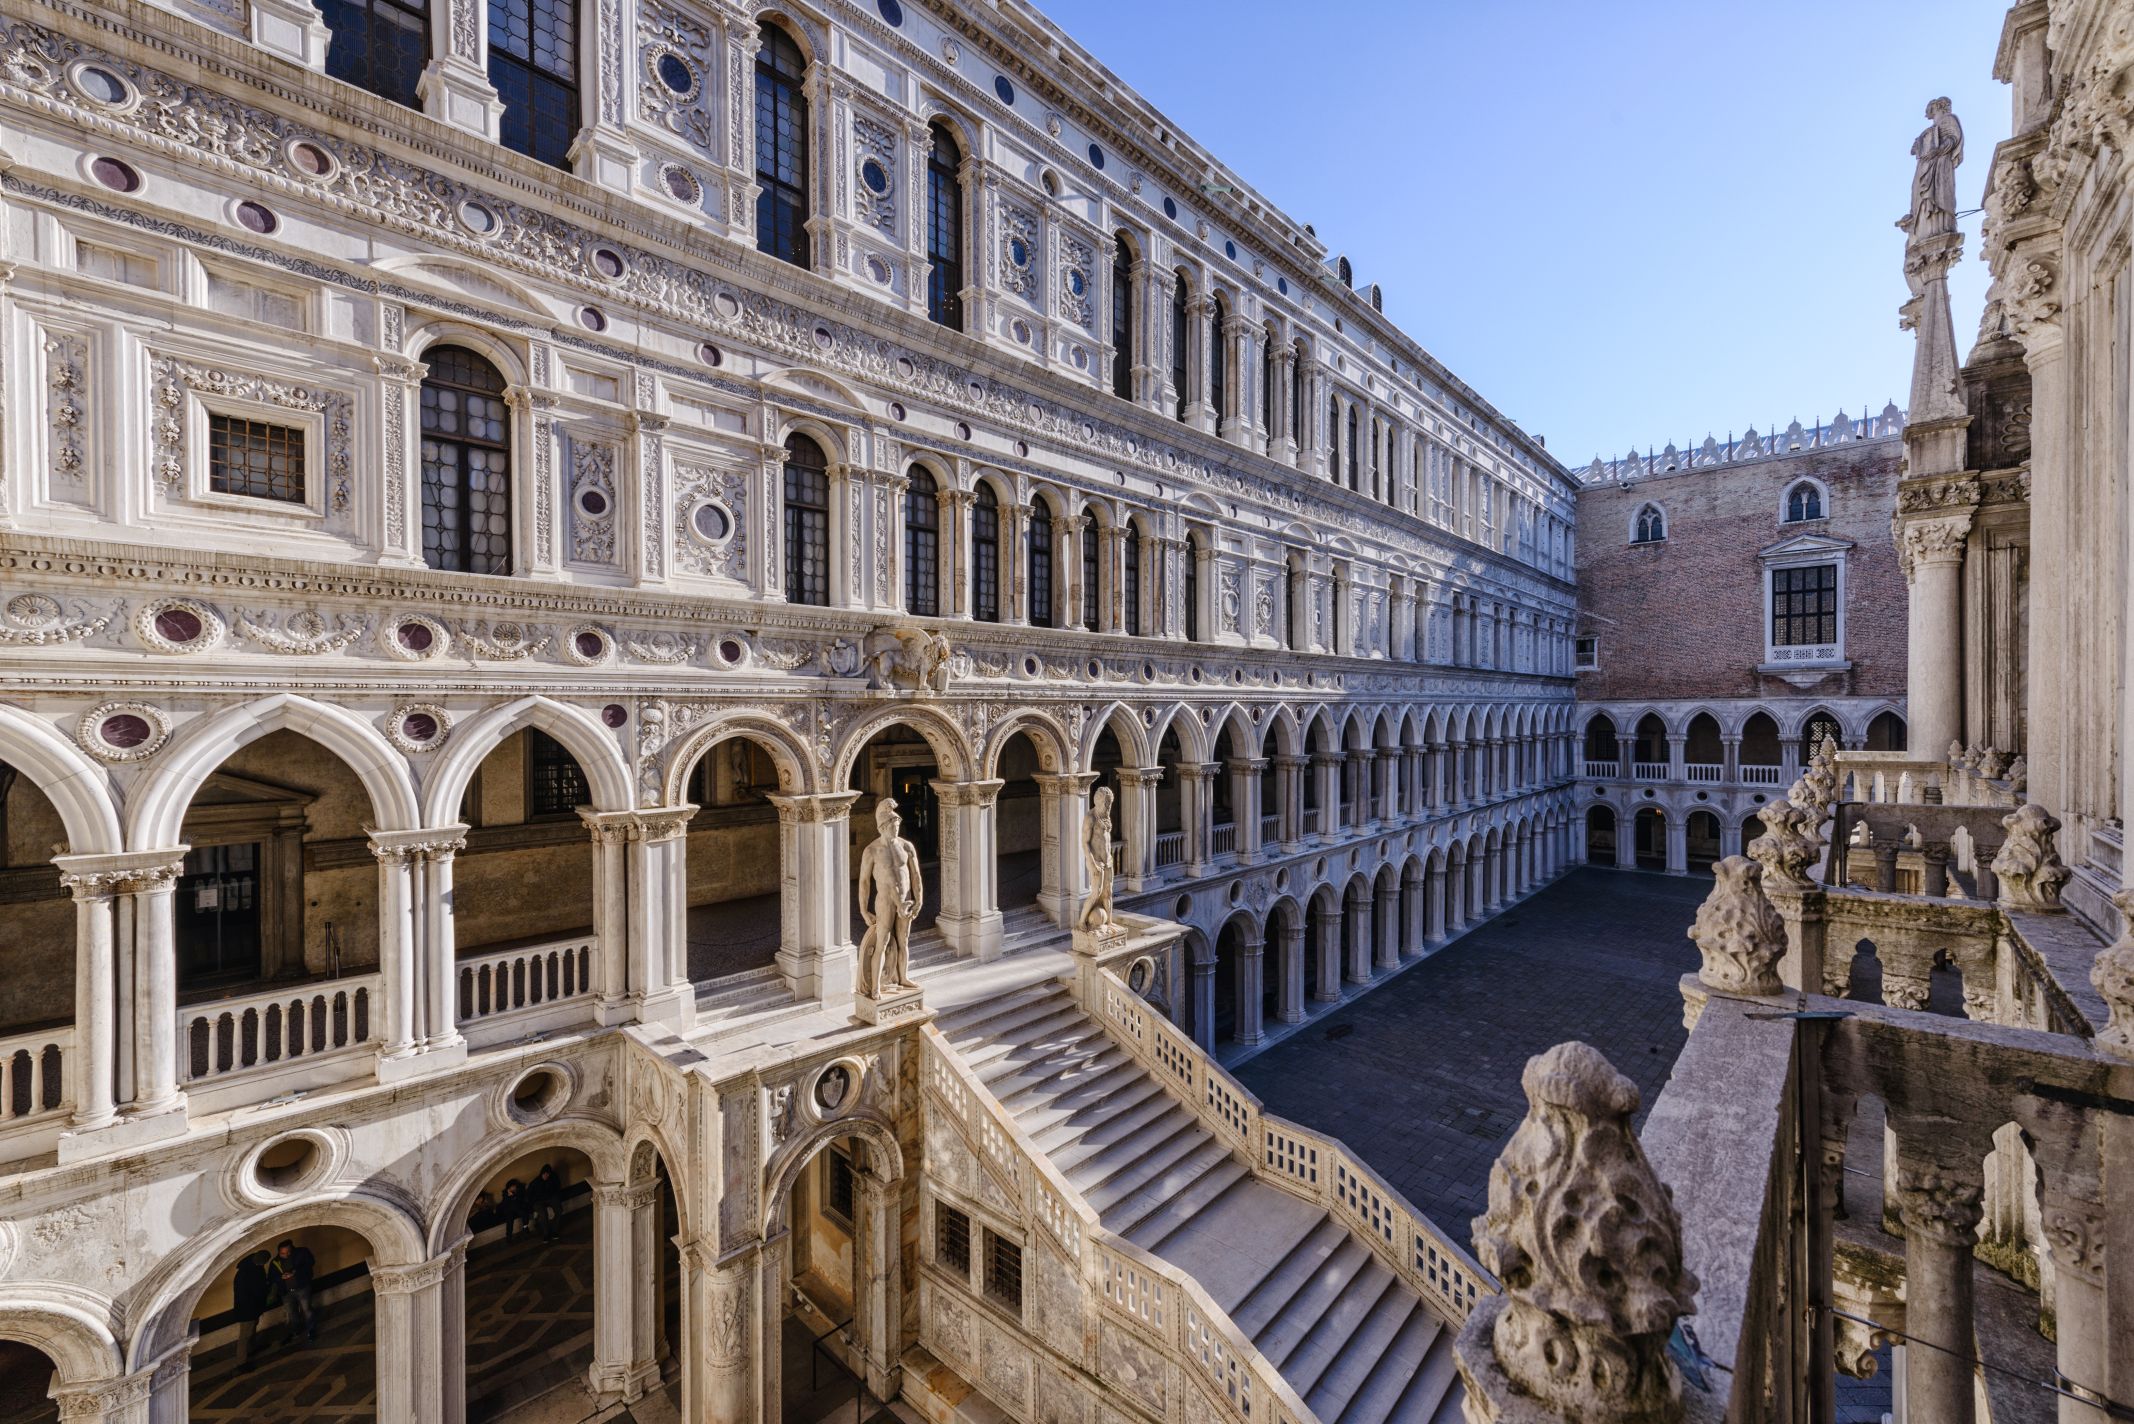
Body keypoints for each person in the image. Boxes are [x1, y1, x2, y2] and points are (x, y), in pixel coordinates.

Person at [231, 1250, 274, 1370]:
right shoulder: (245, 1273)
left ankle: (252, 1349)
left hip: (253, 1307)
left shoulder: (254, 1268)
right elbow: (248, 1293)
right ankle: (241, 1363)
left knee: (252, 1329)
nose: (263, 1265)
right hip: (247, 1309)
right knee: (244, 1335)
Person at [273, 1240, 316, 1347]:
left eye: (288, 1252)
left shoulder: (302, 1253)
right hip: (286, 1292)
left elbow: (310, 1263)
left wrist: (295, 1272)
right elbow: (271, 1277)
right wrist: (280, 1277)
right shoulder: (275, 1262)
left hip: (302, 1288)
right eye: (282, 1253)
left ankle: (311, 1331)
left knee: (307, 1310)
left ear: (292, 1249)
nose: (285, 1255)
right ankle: (296, 1331)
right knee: (292, 1314)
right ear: (278, 1252)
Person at [528, 1163, 563, 1242]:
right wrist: (533, 1204)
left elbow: (557, 1188)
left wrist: (556, 1197)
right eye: (544, 1174)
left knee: (559, 1210)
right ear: (541, 1173)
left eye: (548, 1174)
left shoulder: (553, 1178)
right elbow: (529, 1194)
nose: (546, 1176)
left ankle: (554, 1230)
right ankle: (546, 1234)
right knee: (543, 1214)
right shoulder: (536, 1182)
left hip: (550, 1198)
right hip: (538, 1200)